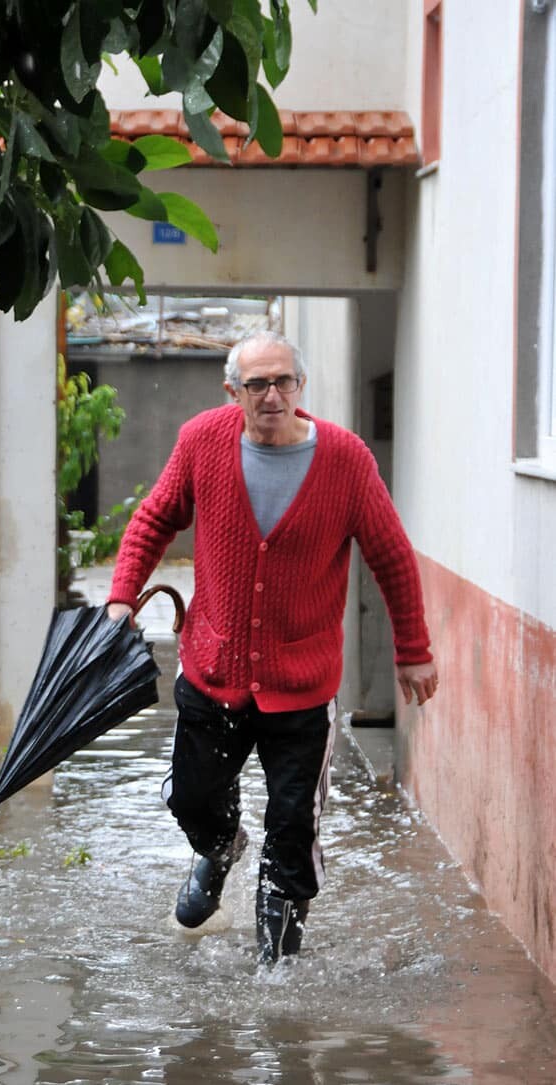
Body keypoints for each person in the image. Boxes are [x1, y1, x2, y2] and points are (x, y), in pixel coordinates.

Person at [107, 331, 438, 963]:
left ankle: (276, 971)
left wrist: (412, 648)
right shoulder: (202, 440)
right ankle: (220, 850)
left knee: (292, 830)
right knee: (191, 799)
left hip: (303, 686)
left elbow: (392, 555)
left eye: (283, 381)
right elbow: (154, 518)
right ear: (232, 391)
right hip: (213, 672)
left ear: (300, 385)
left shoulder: (346, 459)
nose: (271, 396)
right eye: (256, 384)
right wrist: (123, 595)